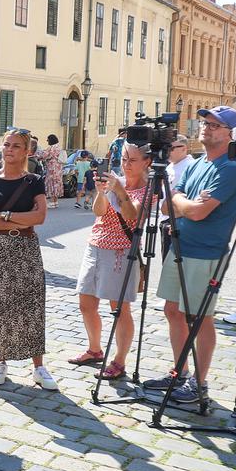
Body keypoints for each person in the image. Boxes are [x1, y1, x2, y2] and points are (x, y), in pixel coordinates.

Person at [145, 106, 236, 409]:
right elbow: (167, 206)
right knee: (173, 310)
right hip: (179, 245)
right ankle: (179, 372)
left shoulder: (230, 169)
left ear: (230, 134)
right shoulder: (195, 164)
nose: (207, 128)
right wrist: (183, 201)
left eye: (216, 125)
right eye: (206, 123)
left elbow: (199, 212)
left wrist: (182, 201)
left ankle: (199, 383)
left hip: (206, 252)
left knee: (200, 317)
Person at [0, 128, 56, 389]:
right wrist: (21, 216)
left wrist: (6, 216)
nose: (9, 150)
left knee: (31, 302)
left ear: (27, 151)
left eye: (16, 146)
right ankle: (0, 361)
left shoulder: (34, 181)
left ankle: (39, 367)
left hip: (26, 246)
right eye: (6, 145)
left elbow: (40, 217)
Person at [71, 143, 150, 380]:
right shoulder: (116, 182)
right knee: (86, 303)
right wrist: (102, 191)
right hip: (95, 244)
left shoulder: (148, 189)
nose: (125, 165)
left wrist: (120, 191)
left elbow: (131, 216)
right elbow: (98, 212)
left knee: (119, 308)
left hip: (121, 251)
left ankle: (119, 361)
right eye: (124, 159)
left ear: (146, 162)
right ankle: (94, 349)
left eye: (132, 160)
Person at [39, 134, 65, 209]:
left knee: (51, 184)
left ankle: (52, 202)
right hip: (59, 168)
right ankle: (56, 202)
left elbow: (44, 156)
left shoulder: (51, 148)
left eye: (48, 139)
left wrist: (38, 156)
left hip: (52, 169)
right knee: (57, 184)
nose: (47, 141)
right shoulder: (59, 147)